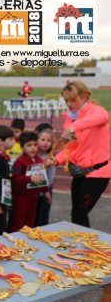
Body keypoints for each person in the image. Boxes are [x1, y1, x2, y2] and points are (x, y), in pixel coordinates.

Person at [45, 81, 111, 228]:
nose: (69, 104)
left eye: (73, 100)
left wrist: (73, 129)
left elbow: (102, 118)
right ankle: (82, 244)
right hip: (80, 175)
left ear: (84, 97)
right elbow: (70, 150)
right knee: (77, 213)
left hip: (97, 173)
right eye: (66, 100)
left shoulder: (96, 111)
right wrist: (55, 160)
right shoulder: (70, 119)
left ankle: (86, 246)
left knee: (79, 213)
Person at [9, 132, 50, 232]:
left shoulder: (39, 160)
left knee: (30, 222)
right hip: (21, 197)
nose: (33, 148)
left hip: (34, 197)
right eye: (29, 145)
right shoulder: (20, 161)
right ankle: (15, 241)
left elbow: (43, 176)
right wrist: (29, 179)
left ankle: (27, 241)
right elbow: (15, 178)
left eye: (35, 145)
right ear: (22, 147)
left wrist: (46, 190)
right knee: (18, 222)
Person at [35, 128, 55, 226]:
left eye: (49, 140)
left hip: (44, 192)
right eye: (43, 140)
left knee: (42, 217)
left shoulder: (51, 158)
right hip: (32, 191)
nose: (46, 143)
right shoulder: (32, 155)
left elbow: (51, 177)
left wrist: (44, 188)